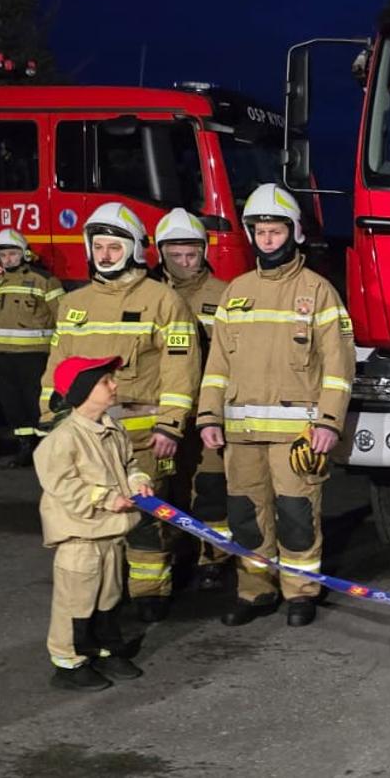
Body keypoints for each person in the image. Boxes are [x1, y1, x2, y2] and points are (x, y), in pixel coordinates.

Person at [197, 183, 354, 628]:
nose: (268, 239)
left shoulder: (318, 291)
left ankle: (300, 592)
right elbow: (217, 365)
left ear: (295, 232)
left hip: (298, 435)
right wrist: (209, 416)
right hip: (241, 434)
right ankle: (254, 591)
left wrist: (328, 422)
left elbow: (339, 367)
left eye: (275, 231)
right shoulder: (236, 293)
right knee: (246, 518)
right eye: (261, 231)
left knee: (296, 515)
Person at [41, 202, 200, 623]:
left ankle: (149, 590)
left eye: (114, 246)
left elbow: (181, 370)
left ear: (133, 249)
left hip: (143, 434)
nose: (105, 254)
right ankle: (103, 596)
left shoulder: (162, 301)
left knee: (145, 517)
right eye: (99, 246)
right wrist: (48, 420)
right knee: (89, 515)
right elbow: (55, 370)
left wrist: (170, 425)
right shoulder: (73, 304)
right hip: (82, 437)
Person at [35, 355, 151, 692]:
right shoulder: (63, 437)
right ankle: (69, 662)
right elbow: (63, 484)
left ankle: (105, 649)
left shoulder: (113, 429)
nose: (114, 385)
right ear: (82, 390)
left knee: (109, 596)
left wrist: (139, 481)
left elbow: (129, 464)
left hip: (111, 533)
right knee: (76, 602)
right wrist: (105, 498)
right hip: (81, 537)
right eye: (105, 381)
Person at [152, 208, 233, 592]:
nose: (185, 263)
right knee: (169, 487)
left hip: (208, 410)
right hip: (163, 409)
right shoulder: (151, 296)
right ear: (160, 253)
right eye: (176, 255)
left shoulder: (226, 295)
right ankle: (175, 553)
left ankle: (213, 558)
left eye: (192, 254)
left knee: (212, 488)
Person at [0, 228, 63, 467]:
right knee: (12, 405)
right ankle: (24, 447)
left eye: (13, 253)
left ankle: (46, 451)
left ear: (24, 254)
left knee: (37, 404)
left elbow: (63, 317)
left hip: (36, 356)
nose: (8, 259)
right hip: (4, 356)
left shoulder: (45, 281)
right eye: (4, 255)